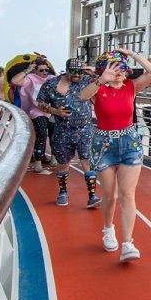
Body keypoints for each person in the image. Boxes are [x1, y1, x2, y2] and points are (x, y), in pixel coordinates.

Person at [80, 48, 151, 261]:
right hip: (103, 145)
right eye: (113, 68)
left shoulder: (131, 87)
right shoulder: (98, 89)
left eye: (121, 68)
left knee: (127, 194)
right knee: (110, 195)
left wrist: (131, 54)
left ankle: (128, 243)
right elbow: (81, 96)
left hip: (129, 142)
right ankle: (108, 229)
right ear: (104, 70)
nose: (118, 72)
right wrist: (100, 80)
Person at [37, 58, 102, 208]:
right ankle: (62, 192)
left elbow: (104, 82)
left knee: (87, 161)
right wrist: (56, 111)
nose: (77, 75)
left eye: (80, 72)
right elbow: (40, 103)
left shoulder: (87, 81)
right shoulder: (51, 84)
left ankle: (92, 196)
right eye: (73, 72)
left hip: (85, 129)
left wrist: (93, 72)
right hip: (62, 130)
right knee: (63, 163)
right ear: (66, 70)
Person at [18, 56, 55, 171]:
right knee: (42, 134)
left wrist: (49, 65)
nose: (44, 72)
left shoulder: (52, 78)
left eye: (46, 70)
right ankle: (38, 161)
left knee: (54, 135)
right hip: (36, 111)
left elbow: (64, 81)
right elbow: (15, 81)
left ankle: (54, 157)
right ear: (35, 71)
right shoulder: (30, 79)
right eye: (41, 70)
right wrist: (28, 69)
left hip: (52, 111)